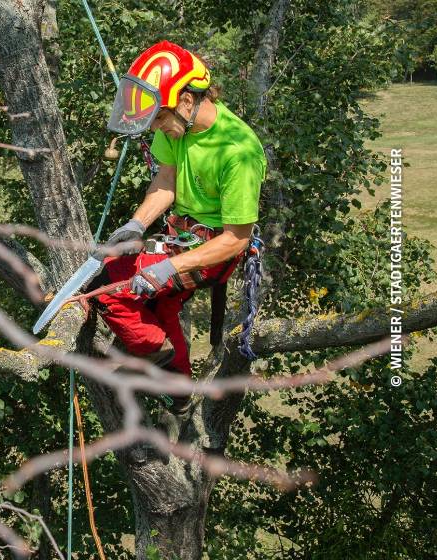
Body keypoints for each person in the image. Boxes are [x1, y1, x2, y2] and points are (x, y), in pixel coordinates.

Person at [92, 40, 266, 413]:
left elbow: (236, 240)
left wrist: (168, 267)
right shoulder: (177, 126)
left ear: (186, 101)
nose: (155, 126)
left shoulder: (239, 152)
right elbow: (166, 182)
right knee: (163, 305)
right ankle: (180, 390)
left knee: (107, 286)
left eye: (158, 118)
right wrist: (136, 224)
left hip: (215, 248)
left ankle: (159, 360)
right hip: (181, 234)